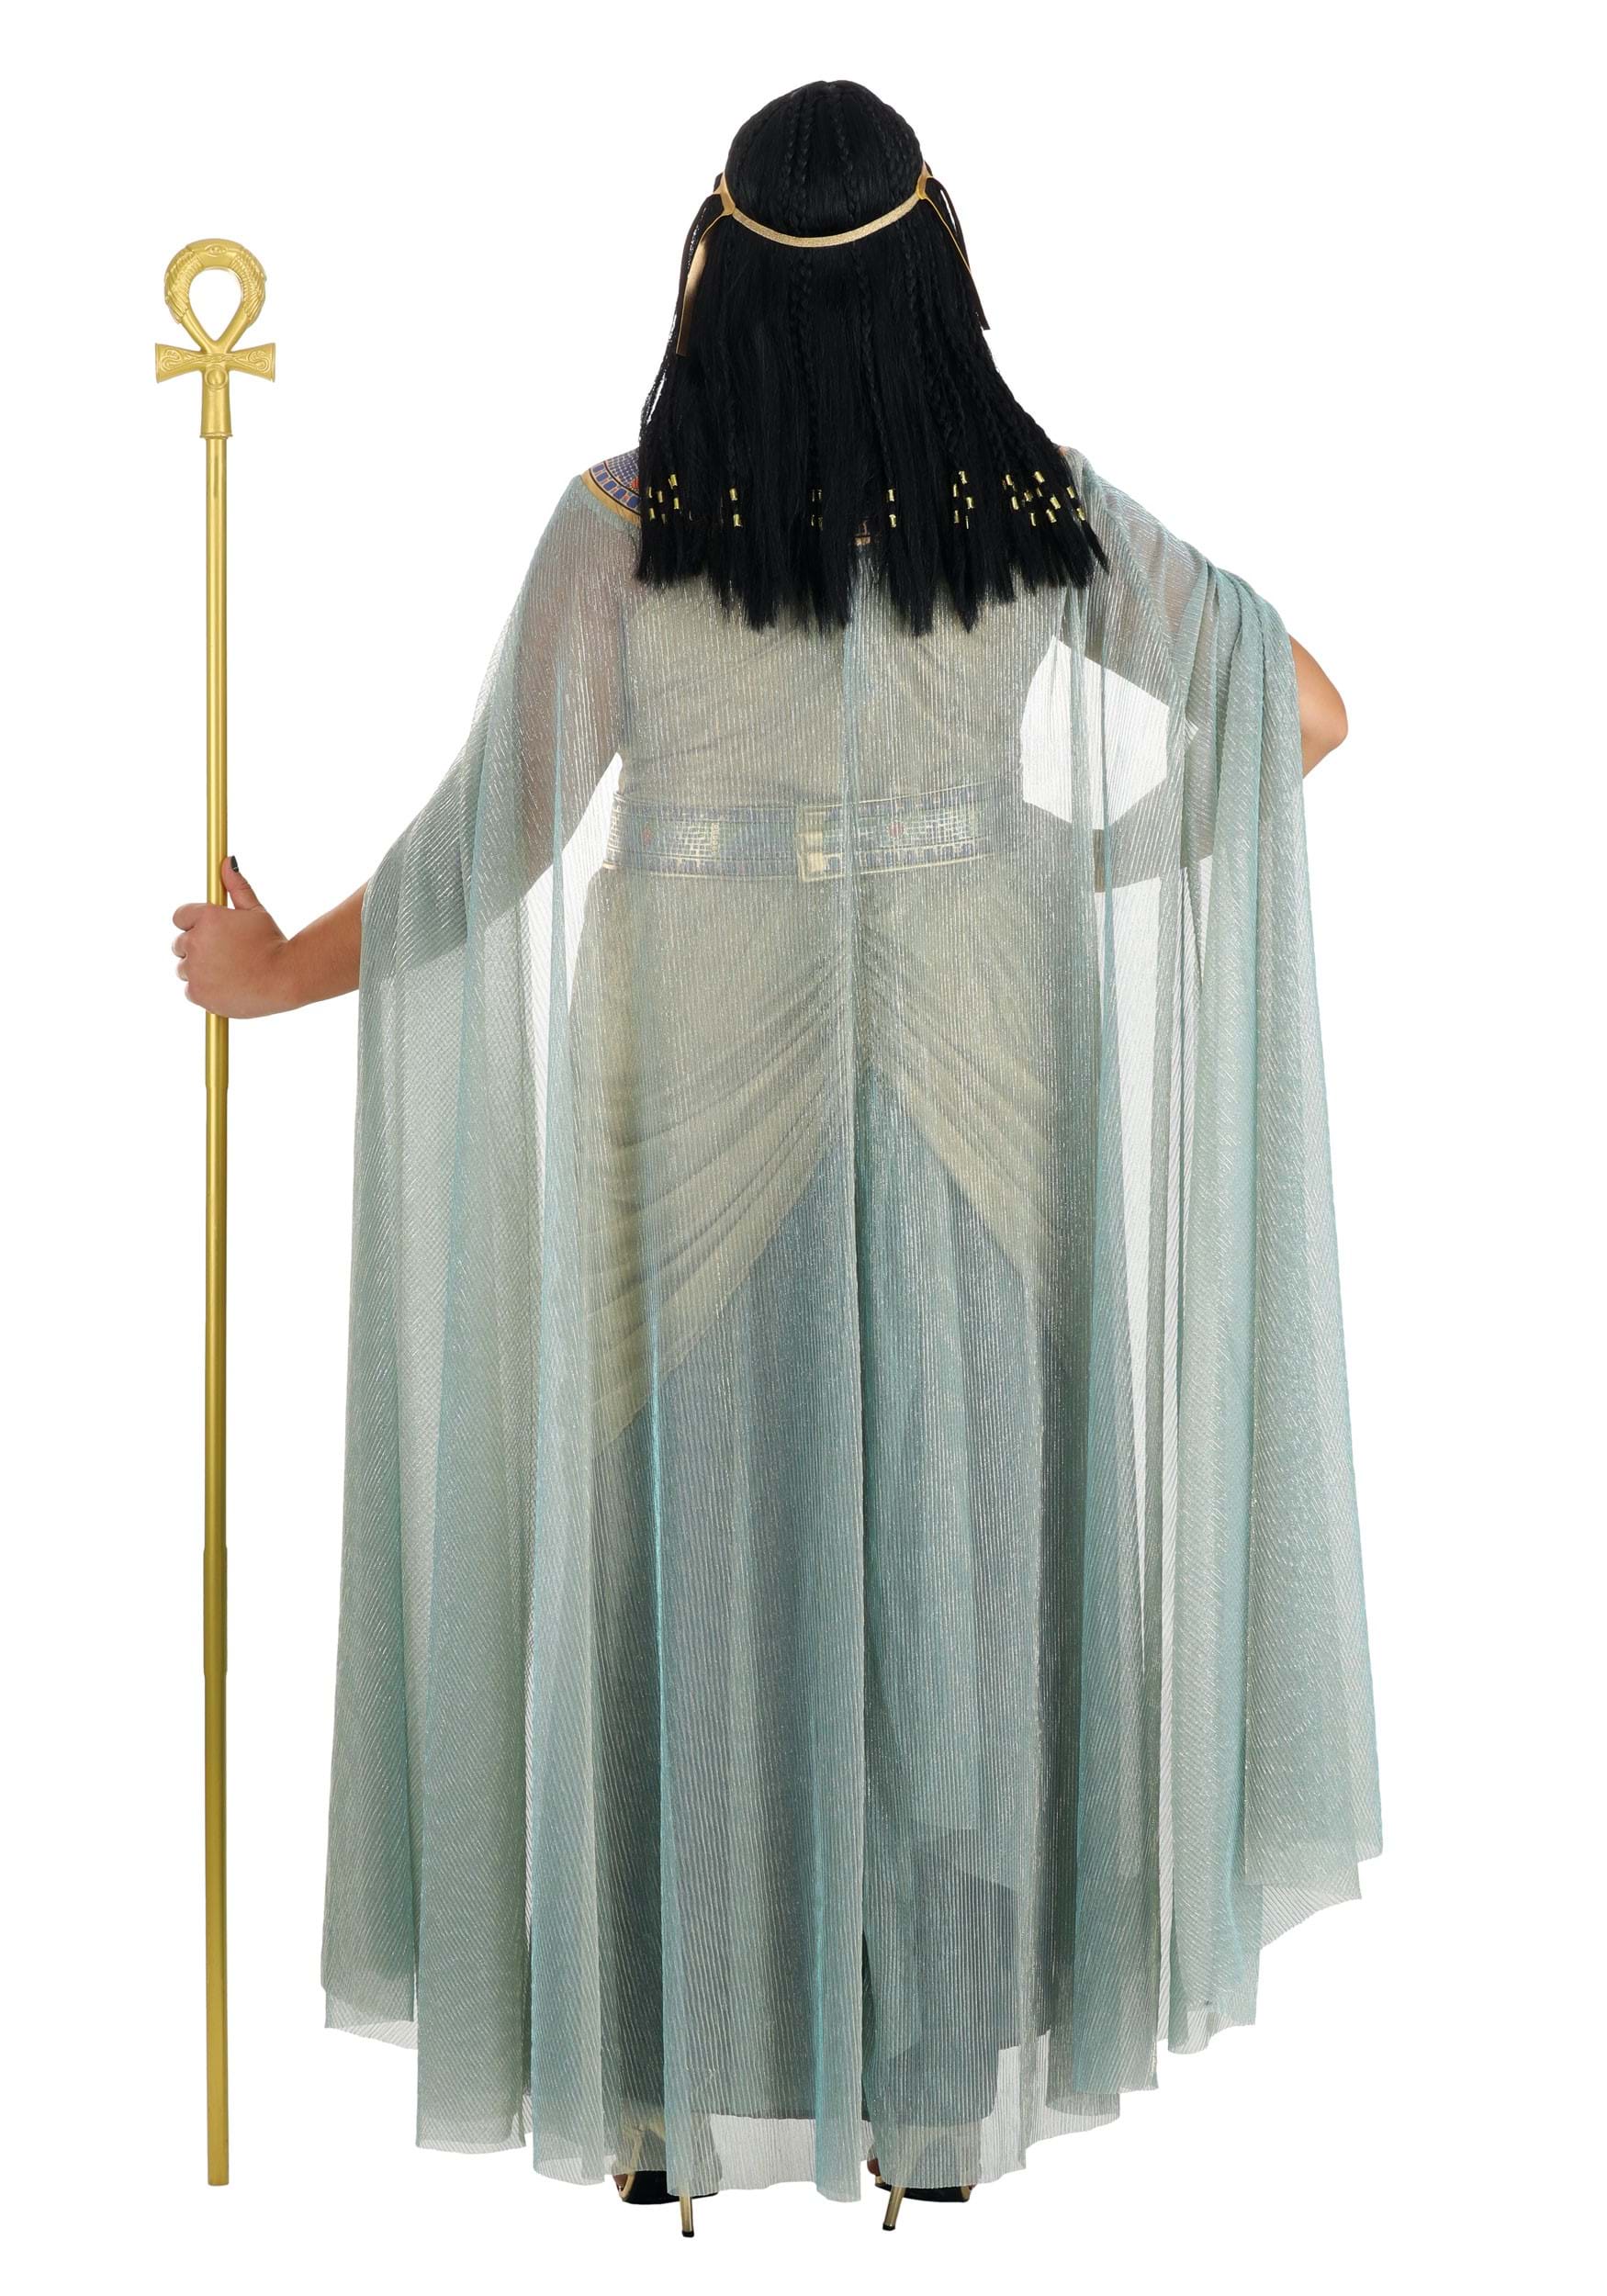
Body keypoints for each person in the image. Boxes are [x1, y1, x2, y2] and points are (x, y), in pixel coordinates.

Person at [169, 81, 1379, 2234]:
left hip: (691, 1085)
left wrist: (272, 975)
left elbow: (492, 841)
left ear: (711, 269)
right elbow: (1296, 713)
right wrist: (1082, 854)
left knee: (690, 1571)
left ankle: (664, 2087)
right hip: (983, 1071)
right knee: (955, 1561)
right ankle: (925, 2086)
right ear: (936, 273)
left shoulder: (626, 518)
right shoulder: (1025, 502)